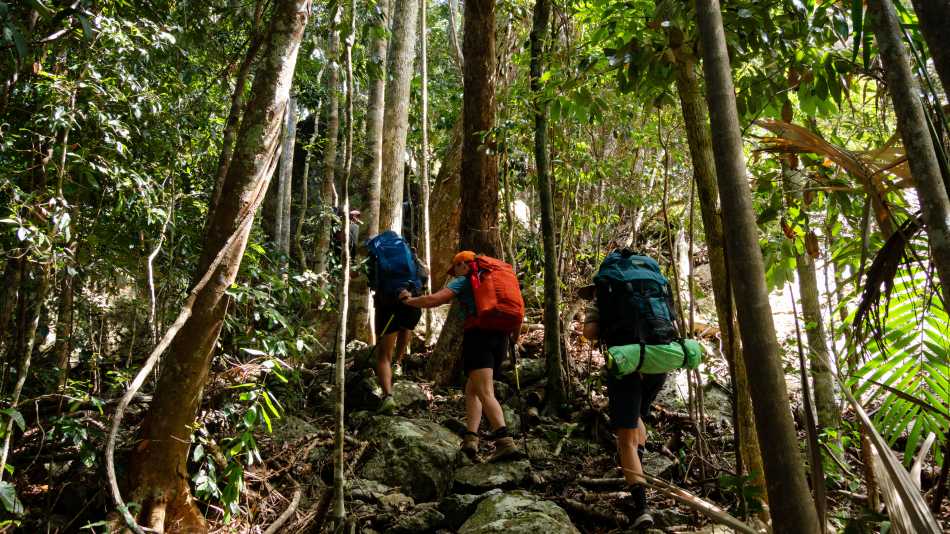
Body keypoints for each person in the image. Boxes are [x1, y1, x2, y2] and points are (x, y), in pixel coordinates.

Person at [399, 250, 522, 463]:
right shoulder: (497, 281)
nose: (454, 274)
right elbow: (518, 313)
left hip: (479, 336)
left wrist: (409, 301)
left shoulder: (466, 281)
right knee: (472, 389)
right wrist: (515, 338)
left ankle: (504, 442)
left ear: (463, 265)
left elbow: (435, 300)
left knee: (484, 391)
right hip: (501, 338)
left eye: (455, 269)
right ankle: (471, 439)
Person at [583, 290, 666, 529]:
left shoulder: (605, 297)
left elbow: (589, 333)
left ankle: (641, 507)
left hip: (626, 364)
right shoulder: (651, 294)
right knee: (637, 416)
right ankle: (637, 473)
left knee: (626, 438)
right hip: (658, 362)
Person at [366, 231, 423, 415]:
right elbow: (424, 275)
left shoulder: (375, 255)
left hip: (388, 305)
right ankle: (399, 363)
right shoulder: (409, 253)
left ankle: (388, 397)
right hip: (412, 302)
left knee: (383, 356)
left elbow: (372, 283)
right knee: (405, 326)